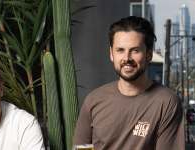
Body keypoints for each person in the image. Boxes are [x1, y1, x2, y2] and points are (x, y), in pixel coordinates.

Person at [73, 16, 184, 150]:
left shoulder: (167, 102)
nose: (126, 58)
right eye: (120, 50)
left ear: (148, 54)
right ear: (111, 54)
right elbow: (80, 148)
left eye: (135, 50)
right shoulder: (93, 100)